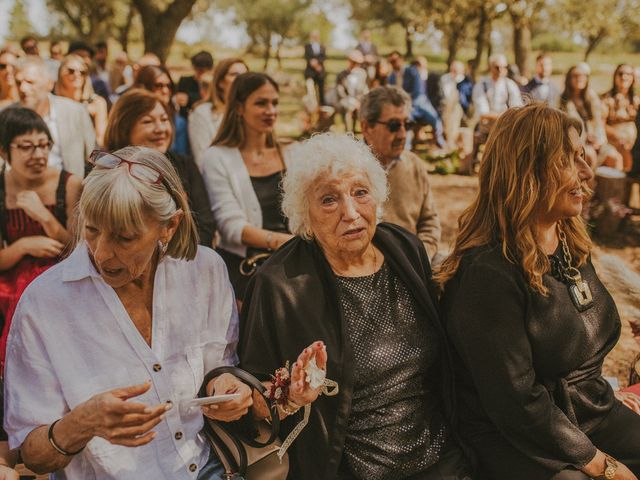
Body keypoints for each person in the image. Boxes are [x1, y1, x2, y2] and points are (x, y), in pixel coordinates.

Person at [3, 144, 311, 480]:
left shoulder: (204, 270)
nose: (102, 253)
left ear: (169, 226)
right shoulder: (44, 303)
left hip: (210, 468)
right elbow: (31, 455)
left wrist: (227, 388)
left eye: (124, 237)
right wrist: (81, 424)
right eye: (91, 230)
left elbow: (220, 368)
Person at [239, 132, 470, 480]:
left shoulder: (404, 248)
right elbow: (253, 401)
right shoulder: (278, 285)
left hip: (443, 460)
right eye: (329, 200)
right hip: (348, 469)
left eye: (360, 193)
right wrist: (290, 397)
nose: (351, 213)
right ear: (305, 213)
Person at [438, 103, 640, 479]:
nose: (586, 172)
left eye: (583, 156)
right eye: (569, 160)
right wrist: (602, 464)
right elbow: (516, 403)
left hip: (588, 412)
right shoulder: (488, 273)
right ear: (527, 171)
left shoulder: (567, 242)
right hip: (515, 436)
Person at [0, 107, 82, 369]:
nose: (38, 155)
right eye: (26, 147)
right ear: (3, 151)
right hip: (12, 276)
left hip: (62, 270)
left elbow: (79, 249)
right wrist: (25, 245)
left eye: (44, 145)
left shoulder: (69, 185)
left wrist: (44, 218)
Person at [200, 72, 293, 301]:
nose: (271, 111)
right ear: (239, 108)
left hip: (293, 263)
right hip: (248, 269)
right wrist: (287, 242)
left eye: (274, 103)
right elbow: (230, 225)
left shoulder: (292, 153)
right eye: (261, 103)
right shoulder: (217, 157)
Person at [104, 88, 215, 247]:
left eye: (164, 120)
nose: (160, 129)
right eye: (147, 121)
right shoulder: (106, 167)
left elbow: (206, 224)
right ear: (124, 126)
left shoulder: (184, 165)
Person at [360, 86, 441, 258]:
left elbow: (429, 224)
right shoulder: (348, 171)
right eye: (394, 125)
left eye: (408, 124)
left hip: (413, 263)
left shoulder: (414, 165)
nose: (403, 134)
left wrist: (420, 258)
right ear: (367, 128)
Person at [12, 56, 96, 177]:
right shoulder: (6, 116)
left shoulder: (75, 112)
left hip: (68, 192)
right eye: (18, 82)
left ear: (49, 84)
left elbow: (92, 157)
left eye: (30, 82)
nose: (22, 88)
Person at [188, 57, 248, 168]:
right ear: (220, 82)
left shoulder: (251, 112)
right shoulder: (203, 113)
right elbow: (202, 160)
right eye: (235, 74)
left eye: (245, 75)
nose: (242, 79)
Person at [560, 64, 621, 169]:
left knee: (615, 157)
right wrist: (583, 140)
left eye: (583, 75)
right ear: (569, 79)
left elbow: (598, 124)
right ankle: (588, 185)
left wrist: (598, 140)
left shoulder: (591, 99)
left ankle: (616, 185)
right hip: (574, 144)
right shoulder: (562, 101)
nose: (579, 78)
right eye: (575, 75)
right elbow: (562, 130)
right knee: (589, 155)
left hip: (596, 142)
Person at [387, 51, 447, 149]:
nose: (393, 63)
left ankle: (440, 142)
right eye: (391, 61)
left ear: (401, 60)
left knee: (435, 120)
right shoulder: (391, 77)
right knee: (406, 122)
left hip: (420, 103)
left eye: (395, 61)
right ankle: (406, 148)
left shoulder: (412, 71)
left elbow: (417, 91)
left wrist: (405, 103)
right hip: (403, 107)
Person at [54, 54, 108, 147]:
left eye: (82, 72)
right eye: (71, 71)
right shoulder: (52, 102)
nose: (77, 74)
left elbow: (101, 139)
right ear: (60, 74)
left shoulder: (97, 103)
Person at [135, 64, 190, 156]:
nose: (165, 90)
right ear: (144, 86)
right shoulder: (131, 116)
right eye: (158, 86)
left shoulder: (179, 122)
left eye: (168, 86)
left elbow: (182, 158)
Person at [601, 64, 640, 172]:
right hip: (614, 142)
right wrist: (617, 135)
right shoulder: (606, 98)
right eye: (621, 73)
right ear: (615, 77)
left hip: (634, 143)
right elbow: (600, 124)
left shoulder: (636, 99)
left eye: (628, 74)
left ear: (633, 78)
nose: (624, 77)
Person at [333, 50, 368, 133]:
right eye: (354, 62)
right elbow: (340, 92)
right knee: (348, 107)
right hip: (345, 100)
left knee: (366, 108)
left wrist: (361, 101)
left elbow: (363, 89)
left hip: (358, 100)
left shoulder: (362, 74)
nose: (356, 65)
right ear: (349, 61)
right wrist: (353, 102)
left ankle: (365, 133)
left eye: (358, 63)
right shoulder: (341, 75)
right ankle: (349, 132)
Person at [176, 50, 214, 117]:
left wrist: (189, 99)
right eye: (196, 69)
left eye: (202, 70)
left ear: (210, 69)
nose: (198, 73)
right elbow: (181, 103)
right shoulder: (184, 81)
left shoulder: (213, 84)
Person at [304, 30, 327, 106]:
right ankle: (312, 106)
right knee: (311, 91)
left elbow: (323, 57)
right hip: (310, 73)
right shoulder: (307, 46)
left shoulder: (322, 47)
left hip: (320, 72)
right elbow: (307, 57)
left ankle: (321, 106)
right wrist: (314, 64)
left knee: (321, 91)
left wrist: (318, 65)